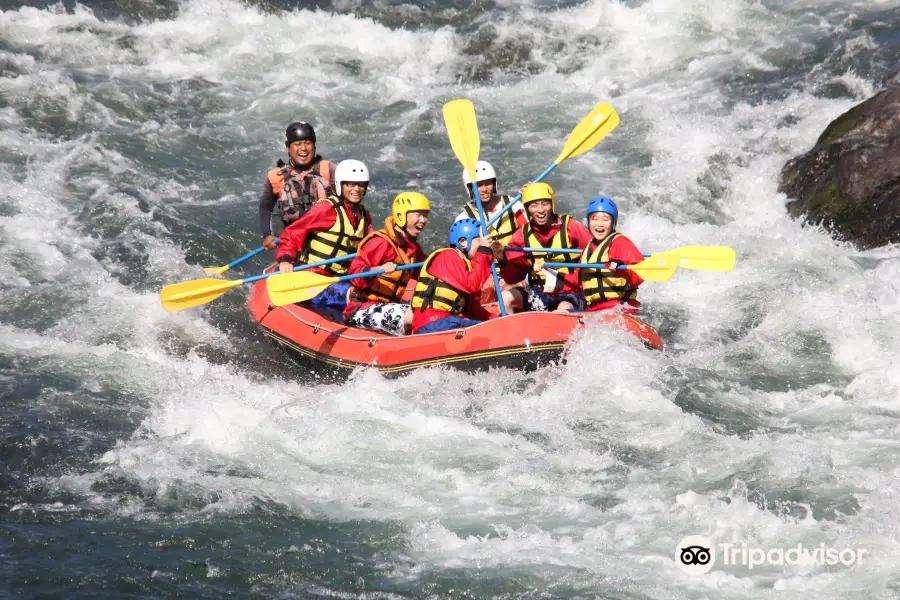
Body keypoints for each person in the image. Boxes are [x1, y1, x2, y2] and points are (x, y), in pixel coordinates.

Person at [275, 159, 373, 308]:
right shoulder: (326, 209)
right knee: (355, 296)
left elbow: (369, 249)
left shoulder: (364, 215)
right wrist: (285, 258)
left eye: (361, 185)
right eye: (351, 184)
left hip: (342, 278)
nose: (356, 189)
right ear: (340, 185)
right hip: (314, 277)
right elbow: (293, 233)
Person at [342, 192, 431, 336]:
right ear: (401, 216)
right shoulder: (381, 243)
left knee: (430, 312)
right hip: (361, 309)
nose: (423, 220)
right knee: (416, 317)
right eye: (418, 215)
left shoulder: (413, 250)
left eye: (425, 215)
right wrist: (378, 269)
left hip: (389, 306)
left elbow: (428, 269)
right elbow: (354, 274)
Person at [497, 182, 593, 312]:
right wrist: (502, 259)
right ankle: (511, 331)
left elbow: (594, 257)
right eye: (534, 205)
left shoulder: (572, 227)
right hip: (541, 293)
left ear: (552, 205)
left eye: (545, 204)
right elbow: (514, 277)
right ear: (526, 208)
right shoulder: (521, 236)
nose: (540, 210)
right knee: (505, 298)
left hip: (573, 292)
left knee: (562, 308)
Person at [545, 197, 645, 314]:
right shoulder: (588, 249)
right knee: (561, 311)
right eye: (594, 219)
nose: (599, 224)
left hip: (620, 309)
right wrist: (550, 276)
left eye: (605, 219)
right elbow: (578, 281)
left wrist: (621, 268)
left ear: (613, 222)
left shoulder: (620, 242)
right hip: (594, 312)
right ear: (588, 222)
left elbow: (640, 272)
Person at [410, 218, 508, 334]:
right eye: (479, 241)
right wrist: (484, 251)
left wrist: (499, 321)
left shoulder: (466, 266)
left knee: (493, 328)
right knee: (487, 331)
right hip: (433, 322)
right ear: (463, 242)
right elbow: (473, 285)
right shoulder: (448, 256)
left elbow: (473, 310)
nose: (484, 245)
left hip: (444, 321)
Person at [259, 121, 337, 251]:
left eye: (307, 143)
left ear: (314, 146)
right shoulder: (275, 176)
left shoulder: (329, 169)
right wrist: (267, 235)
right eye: (297, 144)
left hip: (328, 241)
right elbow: (265, 207)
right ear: (288, 148)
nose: (303, 148)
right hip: (292, 244)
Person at [454, 160, 527, 247]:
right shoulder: (464, 219)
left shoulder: (513, 205)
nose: (484, 189)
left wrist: (531, 200)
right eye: (478, 185)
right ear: (470, 189)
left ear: (494, 184)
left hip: (514, 259)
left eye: (488, 183)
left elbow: (531, 232)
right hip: (486, 259)